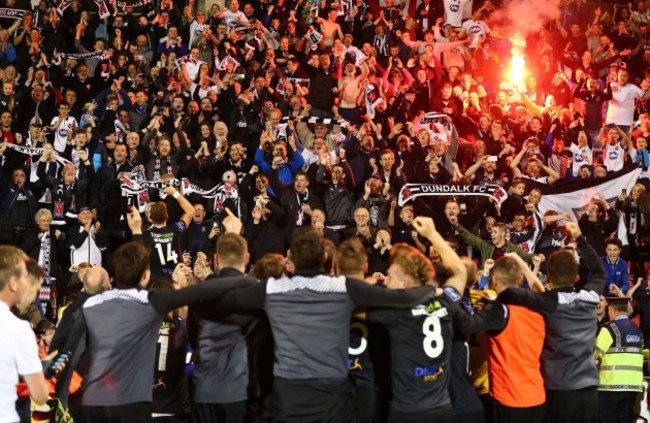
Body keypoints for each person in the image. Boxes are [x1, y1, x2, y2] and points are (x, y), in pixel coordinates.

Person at [211, 227, 437, 422]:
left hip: (288, 395)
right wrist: (431, 289)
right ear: (325, 260)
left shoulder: (275, 292)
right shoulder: (347, 290)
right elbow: (403, 299)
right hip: (343, 395)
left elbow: (226, 301)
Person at [57, 208, 256, 422]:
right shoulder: (151, 305)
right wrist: (233, 243)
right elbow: (202, 292)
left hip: (98, 402)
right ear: (146, 274)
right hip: (147, 405)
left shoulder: (92, 306)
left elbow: (65, 354)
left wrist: (56, 396)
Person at [499, 222, 607, 423]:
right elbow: (600, 272)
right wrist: (581, 239)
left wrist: (518, 265)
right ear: (576, 277)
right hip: (589, 390)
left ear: (548, 277)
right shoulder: (590, 297)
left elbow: (513, 292)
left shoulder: (547, 302)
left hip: (558, 390)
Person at [367, 216, 467, 422]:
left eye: (389, 276)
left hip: (408, 412)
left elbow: (351, 302)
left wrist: (369, 281)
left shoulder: (396, 311)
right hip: (442, 409)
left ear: (405, 283)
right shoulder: (445, 301)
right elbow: (459, 271)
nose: (385, 280)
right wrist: (432, 234)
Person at [455, 253, 546, 423]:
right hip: (537, 397)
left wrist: (448, 295)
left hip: (508, 400)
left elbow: (467, 324)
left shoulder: (498, 311)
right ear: (520, 280)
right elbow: (540, 291)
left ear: (494, 280)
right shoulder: (538, 308)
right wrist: (523, 265)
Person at [0, 246, 50, 421]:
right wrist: (43, 369)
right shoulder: (18, 329)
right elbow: (40, 395)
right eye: (23, 279)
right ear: (13, 283)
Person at [595, 296, 644, 423]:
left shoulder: (610, 329)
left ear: (612, 310)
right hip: (633, 386)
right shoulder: (638, 331)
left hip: (611, 386)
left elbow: (594, 353)